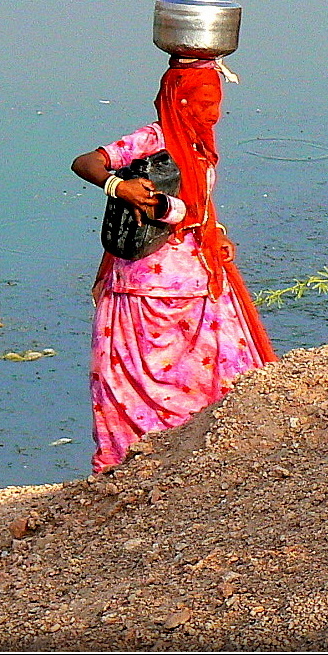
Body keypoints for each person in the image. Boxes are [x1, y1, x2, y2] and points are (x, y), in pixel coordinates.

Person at [71, 56, 277, 474]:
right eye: (201, 101)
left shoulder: (199, 146)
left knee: (214, 371)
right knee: (136, 375)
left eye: (214, 101)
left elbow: (196, 205)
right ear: (178, 101)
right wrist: (119, 185)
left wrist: (214, 230)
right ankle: (133, 461)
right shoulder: (153, 140)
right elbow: (84, 163)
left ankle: (215, 458)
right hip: (142, 284)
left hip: (199, 282)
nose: (211, 112)